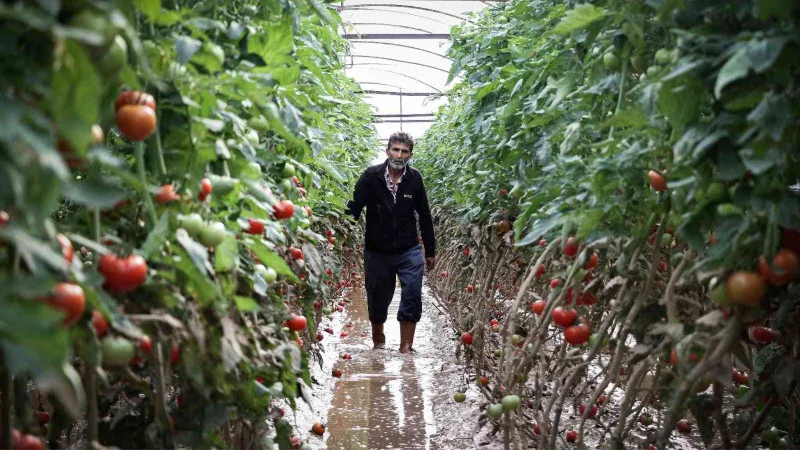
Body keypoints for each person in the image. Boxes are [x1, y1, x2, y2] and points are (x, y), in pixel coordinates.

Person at [345, 131, 436, 353]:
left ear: (410, 155)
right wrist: (344, 239)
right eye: (395, 149)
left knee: (412, 293)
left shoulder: (415, 179)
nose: (399, 154)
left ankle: (406, 349)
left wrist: (430, 251)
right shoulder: (371, 176)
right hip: (377, 249)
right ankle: (378, 339)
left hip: (409, 248)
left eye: (404, 151)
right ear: (387, 151)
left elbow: (424, 215)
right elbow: (354, 208)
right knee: (377, 296)